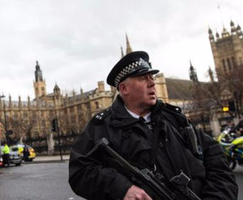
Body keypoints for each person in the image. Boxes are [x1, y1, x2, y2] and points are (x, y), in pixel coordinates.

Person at [68, 51, 238, 200]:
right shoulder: (101, 126)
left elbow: (216, 160)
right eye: (143, 78)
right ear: (124, 88)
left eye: (152, 77)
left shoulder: (174, 118)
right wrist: (121, 188)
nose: (152, 83)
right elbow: (80, 172)